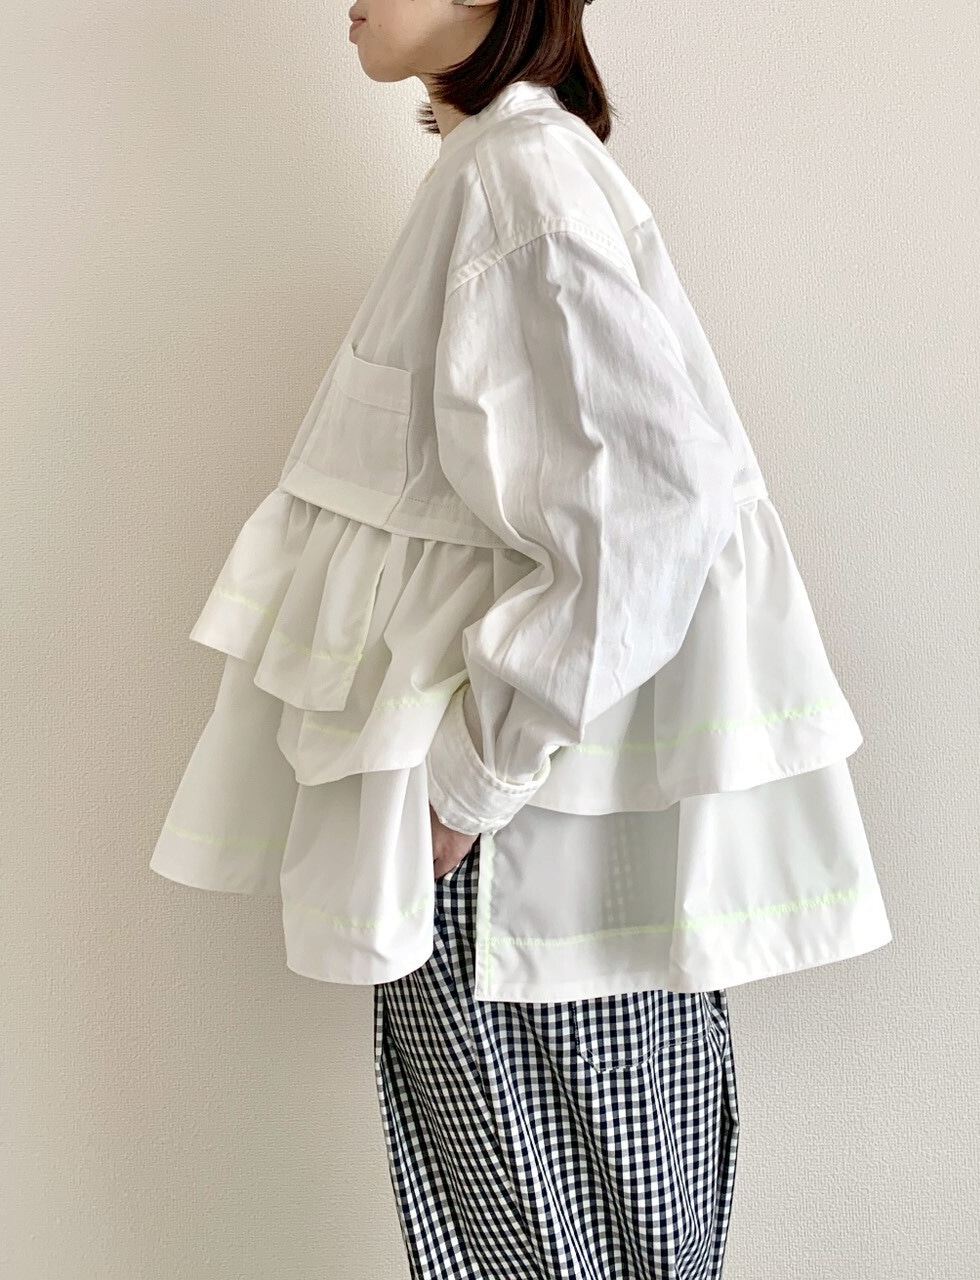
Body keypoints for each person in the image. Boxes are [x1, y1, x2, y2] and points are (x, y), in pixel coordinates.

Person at [150, 2, 893, 1275]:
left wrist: (464, 784)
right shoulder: (499, 171)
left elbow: (654, 502)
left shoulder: (518, 180)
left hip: (521, 874)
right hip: (524, 860)